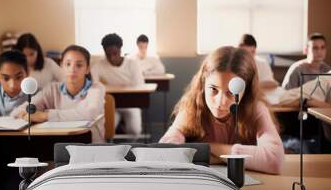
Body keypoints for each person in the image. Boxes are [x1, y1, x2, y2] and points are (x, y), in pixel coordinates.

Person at [160, 46, 284, 174]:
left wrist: (207, 149)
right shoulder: (193, 105)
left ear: (246, 91)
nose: (220, 102)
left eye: (231, 92)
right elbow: (164, 153)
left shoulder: (255, 109)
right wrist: (231, 157)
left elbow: (275, 161)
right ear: (203, 84)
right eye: (213, 89)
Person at [11, 45, 105, 143]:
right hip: (60, 143)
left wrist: (45, 116)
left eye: (79, 65)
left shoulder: (96, 88)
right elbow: (18, 112)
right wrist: (27, 114)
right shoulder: (52, 89)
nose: (73, 69)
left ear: (87, 69)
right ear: (61, 66)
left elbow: (90, 113)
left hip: (92, 145)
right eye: (68, 64)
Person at [91, 33, 144, 135]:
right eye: (108, 54)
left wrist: (109, 87)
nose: (111, 58)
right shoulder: (98, 65)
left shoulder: (132, 64)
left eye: (115, 53)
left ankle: (124, 133)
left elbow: (139, 86)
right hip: (110, 105)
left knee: (134, 131)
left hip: (131, 104)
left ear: (120, 50)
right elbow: (95, 86)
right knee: (105, 131)